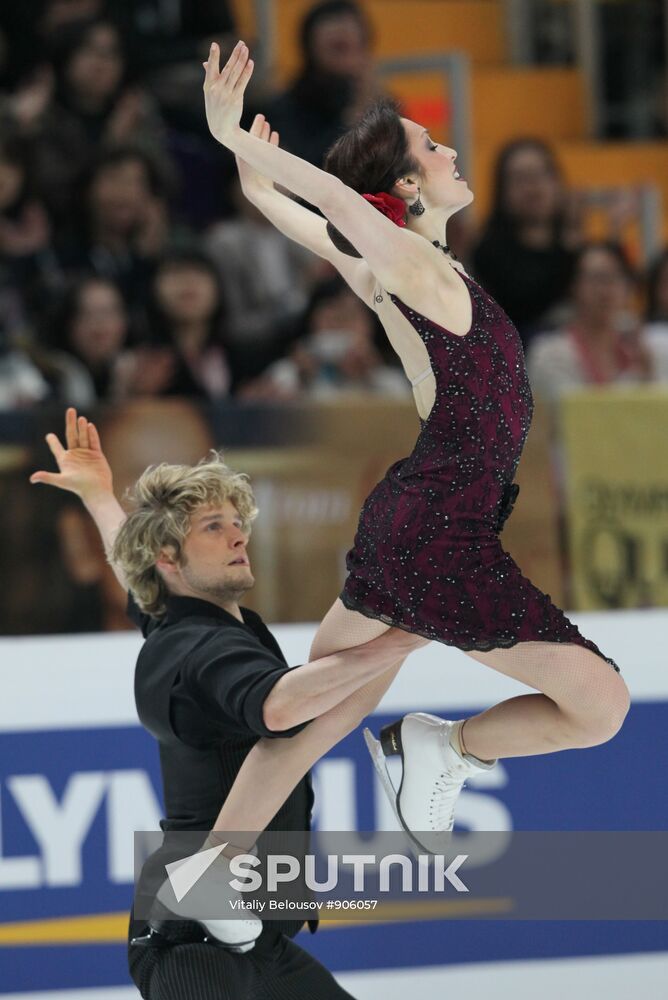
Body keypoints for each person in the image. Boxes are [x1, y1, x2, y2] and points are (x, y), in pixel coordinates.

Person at [191, 39, 629, 850]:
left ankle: (204, 877)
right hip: (439, 535)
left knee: (316, 719)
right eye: (432, 146)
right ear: (404, 186)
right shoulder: (409, 265)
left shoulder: (413, 267)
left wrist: (257, 184)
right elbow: (338, 207)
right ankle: (442, 746)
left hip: (420, 524)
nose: (452, 149)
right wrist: (239, 145)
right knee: (600, 706)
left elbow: (320, 227)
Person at [30, 407, 422, 995]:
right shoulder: (202, 649)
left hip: (255, 939)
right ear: (170, 558)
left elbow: (137, 568)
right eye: (214, 526)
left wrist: (98, 495)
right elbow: (280, 708)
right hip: (193, 946)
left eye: (237, 520)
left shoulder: (179, 618)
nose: (239, 533)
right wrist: (400, 642)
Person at [527, 241, 668, 406]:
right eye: (596, 279)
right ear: (574, 287)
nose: (605, 291)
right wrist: (636, 378)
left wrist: (647, 371)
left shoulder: (646, 347)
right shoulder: (549, 355)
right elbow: (577, 414)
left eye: (615, 278)